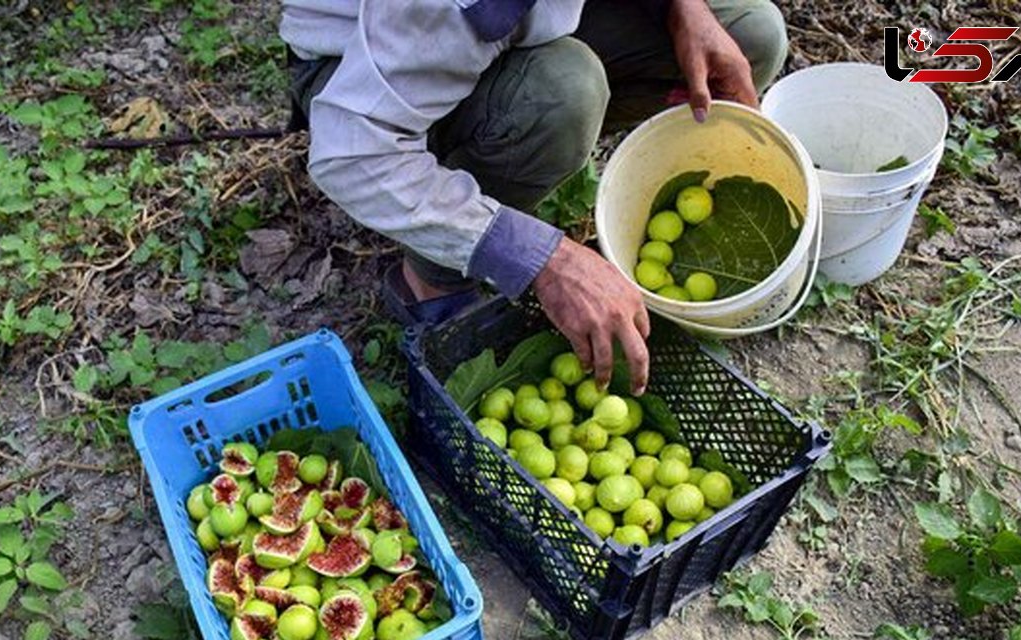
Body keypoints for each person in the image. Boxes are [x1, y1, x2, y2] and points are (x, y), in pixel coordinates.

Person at [282, 0, 788, 394]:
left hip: (489, 28)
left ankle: (523, 163)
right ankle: (431, 279)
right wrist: (545, 260)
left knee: (751, 34)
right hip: (367, 73)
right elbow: (351, 153)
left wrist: (683, 11)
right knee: (561, 94)